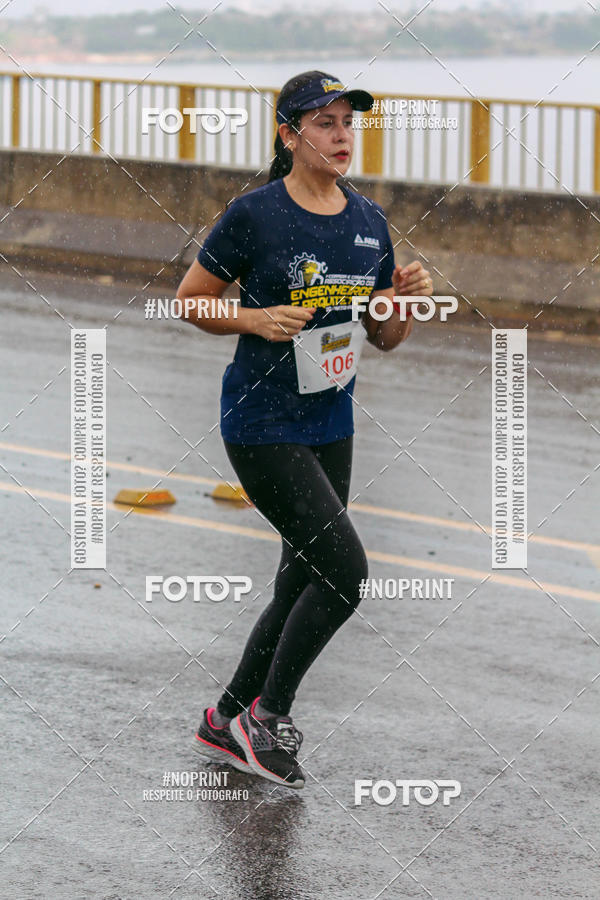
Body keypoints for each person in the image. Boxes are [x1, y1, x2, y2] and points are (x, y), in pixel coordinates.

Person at [175, 70, 434, 790]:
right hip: (261, 423)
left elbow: (383, 338)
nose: (342, 134)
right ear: (290, 135)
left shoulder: (367, 220)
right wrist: (255, 319)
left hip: (331, 419)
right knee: (345, 575)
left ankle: (224, 720)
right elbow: (189, 301)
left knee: (303, 577)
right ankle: (269, 716)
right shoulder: (255, 215)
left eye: (348, 121)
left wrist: (405, 302)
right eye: (324, 123)